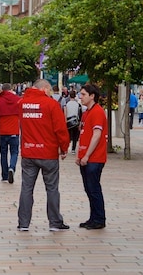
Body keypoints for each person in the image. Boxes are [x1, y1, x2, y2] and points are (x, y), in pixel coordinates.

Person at [16, 79, 70, 232]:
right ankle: (54, 222)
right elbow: (60, 129)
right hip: (48, 153)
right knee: (52, 188)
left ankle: (23, 223)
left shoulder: (22, 104)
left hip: (28, 152)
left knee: (27, 188)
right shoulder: (51, 104)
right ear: (45, 89)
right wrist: (64, 148)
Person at [76, 84, 108, 230]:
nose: (80, 97)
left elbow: (97, 135)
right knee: (89, 189)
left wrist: (87, 155)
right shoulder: (86, 113)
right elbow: (83, 135)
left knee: (94, 188)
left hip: (95, 158)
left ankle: (99, 219)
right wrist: (80, 154)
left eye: (83, 94)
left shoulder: (97, 112)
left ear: (92, 96)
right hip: (86, 157)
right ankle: (93, 217)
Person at [0, 83, 22, 183]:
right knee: (14, 152)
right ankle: (12, 167)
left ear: (2, 90)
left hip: (3, 132)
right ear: (11, 89)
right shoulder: (18, 100)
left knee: (3, 154)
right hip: (14, 131)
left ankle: (4, 175)